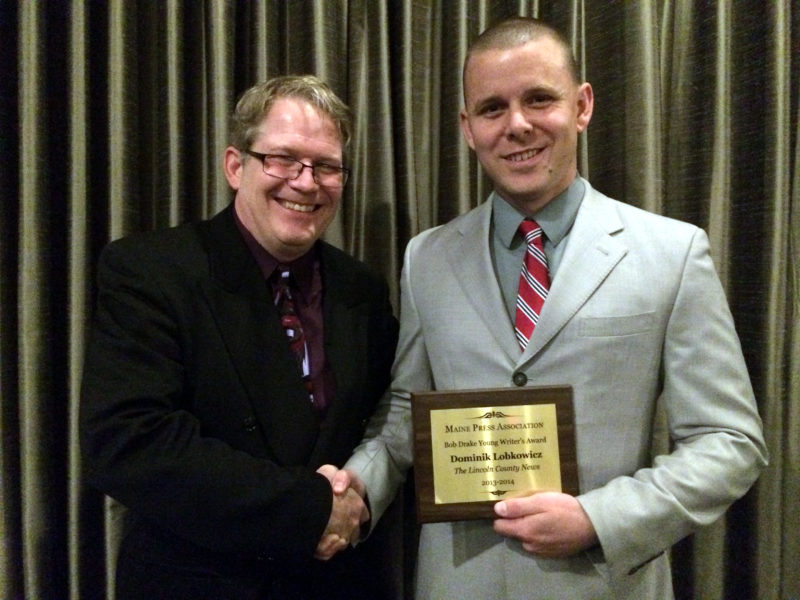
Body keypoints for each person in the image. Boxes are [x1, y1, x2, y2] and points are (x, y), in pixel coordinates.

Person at [336, 16, 768, 599]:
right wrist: (353, 488)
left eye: (539, 99)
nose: (517, 125)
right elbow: (407, 413)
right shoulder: (427, 258)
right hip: (461, 586)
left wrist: (600, 518)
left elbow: (728, 440)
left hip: (603, 583)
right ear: (467, 127)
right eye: (492, 108)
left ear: (583, 105)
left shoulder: (672, 253)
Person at [80, 75, 399, 599]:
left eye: (326, 166)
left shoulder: (362, 290)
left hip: (338, 585)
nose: (305, 181)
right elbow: (128, 444)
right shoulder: (152, 271)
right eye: (282, 159)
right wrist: (312, 509)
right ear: (236, 165)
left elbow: (386, 418)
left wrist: (357, 501)